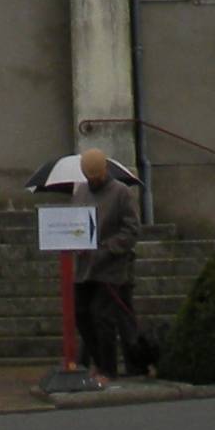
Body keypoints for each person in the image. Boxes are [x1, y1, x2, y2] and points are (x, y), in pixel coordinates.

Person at [76, 147, 154, 380]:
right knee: (82, 315)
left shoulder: (121, 193)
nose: (94, 180)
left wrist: (108, 248)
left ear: (105, 170)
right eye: (90, 176)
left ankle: (108, 369)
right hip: (84, 267)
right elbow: (75, 223)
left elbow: (131, 229)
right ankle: (96, 361)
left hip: (112, 269)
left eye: (97, 175)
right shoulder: (79, 192)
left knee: (104, 318)